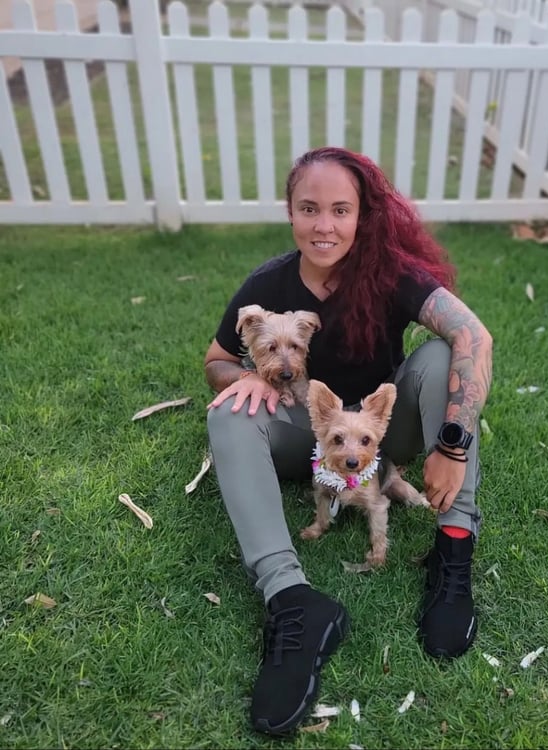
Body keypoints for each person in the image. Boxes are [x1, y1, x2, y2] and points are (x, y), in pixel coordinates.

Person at [204, 146, 493, 735]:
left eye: (340, 209)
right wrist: (247, 378)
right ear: (290, 213)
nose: (324, 225)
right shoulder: (269, 282)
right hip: (302, 440)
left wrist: (453, 445)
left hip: (385, 437)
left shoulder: (390, 275)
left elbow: (474, 335)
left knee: (444, 354)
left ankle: (454, 547)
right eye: (309, 208)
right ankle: (292, 601)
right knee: (229, 412)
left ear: (362, 216)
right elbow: (215, 360)